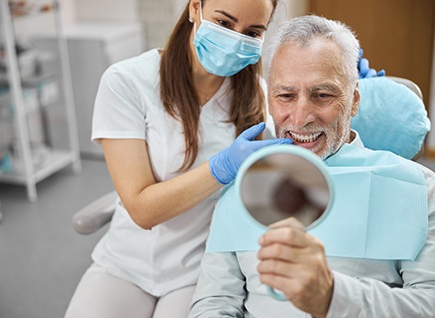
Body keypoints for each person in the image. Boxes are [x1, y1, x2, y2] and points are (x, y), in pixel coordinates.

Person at [189, 15, 435, 317]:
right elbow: (213, 304)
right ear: (269, 100)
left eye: (322, 95)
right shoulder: (240, 189)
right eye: (286, 95)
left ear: (354, 100)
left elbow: (428, 304)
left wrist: (332, 296)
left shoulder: (418, 190)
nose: (301, 116)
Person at [63, 1, 293, 317]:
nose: (236, 40)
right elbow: (142, 210)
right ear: (195, 8)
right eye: (224, 23)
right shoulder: (128, 82)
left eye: (252, 32)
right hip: (124, 263)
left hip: (199, 269)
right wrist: (222, 167)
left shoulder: (257, 96)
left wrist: (355, 94)